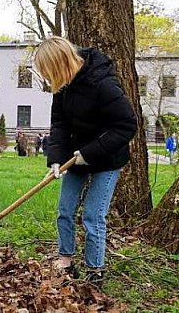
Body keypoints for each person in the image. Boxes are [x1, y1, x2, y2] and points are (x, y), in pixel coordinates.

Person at [33, 36, 137, 289]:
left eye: (49, 72)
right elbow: (59, 124)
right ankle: (66, 260)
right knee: (65, 210)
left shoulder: (103, 84)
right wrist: (56, 159)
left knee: (93, 215)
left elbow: (126, 126)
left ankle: (95, 271)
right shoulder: (63, 86)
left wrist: (89, 152)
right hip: (74, 159)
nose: (48, 79)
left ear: (61, 63)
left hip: (107, 159)